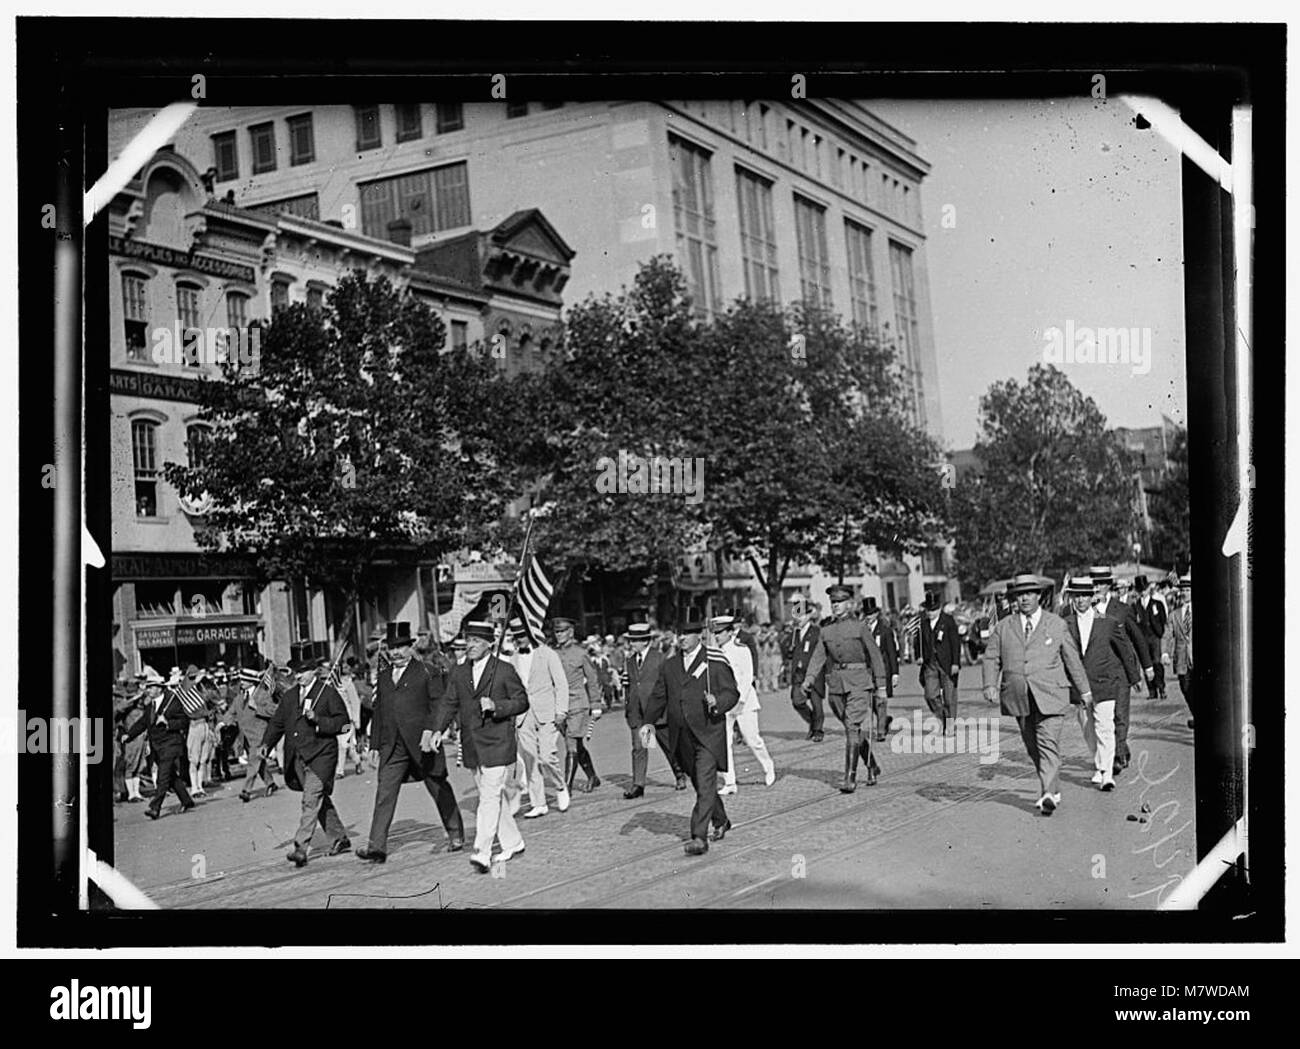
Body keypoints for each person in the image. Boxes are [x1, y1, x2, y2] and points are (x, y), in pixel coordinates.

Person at [982, 574, 1092, 815]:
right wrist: (990, 684)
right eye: (1020, 594)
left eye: (1030, 593)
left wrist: (1084, 690)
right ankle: (1052, 784)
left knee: (1047, 743)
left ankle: (1047, 794)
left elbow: (1072, 659)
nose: (1025, 598)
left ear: (1039, 596)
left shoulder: (1056, 624)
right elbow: (991, 657)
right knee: (1032, 746)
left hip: (1051, 694)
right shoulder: (1003, 627)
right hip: (1019, 697)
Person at [356, 622, 464, 863]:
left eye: (400, 647)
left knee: (437, 786)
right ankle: (377, 846)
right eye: (391, 648)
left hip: (423, 743)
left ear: (410, 647)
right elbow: (379, 712)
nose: (395, 653)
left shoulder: (427, 671)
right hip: (393, 746)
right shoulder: (383, 677)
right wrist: (374, 745)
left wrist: (432, 731)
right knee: (384, 791)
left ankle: (456, 834)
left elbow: (438, 705)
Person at [429, 620, 530, 873]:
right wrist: (437, 730)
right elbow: (448, 703)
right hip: (472, 745)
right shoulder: (459, 672)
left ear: (489, 644)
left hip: (497, 742)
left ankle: (482, 852)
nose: (469, 645)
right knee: (492, 797)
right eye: (468, 640)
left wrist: (498, 707)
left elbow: (522, 701)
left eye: (475, 641)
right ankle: (513, 842)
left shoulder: (504, 670)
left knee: (488, 796)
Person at [641, 616, 741, 855]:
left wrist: (718, 702)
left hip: (708, 733)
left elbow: (732, 692)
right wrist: (647, 722)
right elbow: (658, 696)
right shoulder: (670, 665)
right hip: (682, 736)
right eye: (679, 634)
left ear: (699, 635)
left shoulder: (714, 660)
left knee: (706, 782)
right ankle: (721, 819)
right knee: (700, 783)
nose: (681, 638)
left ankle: (698, 836)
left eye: (686, 634)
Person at [260, 657, 352, 868]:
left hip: (322, 756)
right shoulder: (290, 696)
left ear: (314, 671)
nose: (298, 676)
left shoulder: (327, 693)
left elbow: (344, 725)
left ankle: (300, 848)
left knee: (310, 800)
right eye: (295, 672)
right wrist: (267, 743)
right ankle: (339, 838)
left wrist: (319, 720)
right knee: (317, 799)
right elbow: (277, 723)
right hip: (298, 757)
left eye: (302, 671)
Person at [802, 585, 888, 792]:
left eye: (840, 602)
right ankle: (872, 765)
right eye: (833, 603)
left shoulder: (860, 627)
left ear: (850, 604)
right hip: (836, 685)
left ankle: (850, 778)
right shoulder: (826, 630)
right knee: (854, 729)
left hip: (859, 682)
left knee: (851, 728)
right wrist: (809, 679)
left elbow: (875, 656)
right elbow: (818, 657)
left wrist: (881, 685)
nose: (836, 606)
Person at [1061, 574, 1142, 791]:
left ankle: (1106, 773)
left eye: (1084, 596)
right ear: (1072, 598)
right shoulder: (1064, 624)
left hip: (1105, 682)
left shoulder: (1108, 623)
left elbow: (1124, 650)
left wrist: (1134, 677)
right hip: (1080, 687)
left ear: (1091, 598)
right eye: (1076, 597)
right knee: (1088, 730)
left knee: (1105, 727)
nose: (1080, 601)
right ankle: (1100, 764)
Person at [1090, 565, 1153, 774]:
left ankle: (1117, 755)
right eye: (1094, 583)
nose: (1097, 587)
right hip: (1097, 675)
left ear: (1108, 586)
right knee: (1101, 719)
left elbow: (1138, 640)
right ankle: (1120, 748)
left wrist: (1146, 667)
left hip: (1120, 673)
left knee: (1119, 714)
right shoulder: (1085, 611)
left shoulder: (1122, 610)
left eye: (1101, 583)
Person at [506, 617, 570, 817]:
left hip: (547, 711)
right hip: (523, 715)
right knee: (530, 758)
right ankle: (538, 802)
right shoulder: (514, 659)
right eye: (517, 637)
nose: (520, 640)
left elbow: (560, 683)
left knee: (547, 755)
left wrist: (561, 711)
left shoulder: (547, 654)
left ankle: (560, 786)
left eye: (523, 635)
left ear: (531, 633)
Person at [711, 614, 776, 795]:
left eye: (721, 632)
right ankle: (729, 781)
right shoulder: (714, 653)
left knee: (751, 739)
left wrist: (740, 701)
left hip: (744, 701)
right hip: (724, 704)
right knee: (724, 743)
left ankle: (768, 765)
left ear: (730, 633)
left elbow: (747, 677)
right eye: (715, 633)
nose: (717, 636)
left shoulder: (741, 649)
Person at [622, 622, 688, 797]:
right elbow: (630, 685)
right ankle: (638, 785)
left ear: (645, 641)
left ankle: (679, 773)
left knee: (668, 746)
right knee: (640, 747)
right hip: (638, 713)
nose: (632, 645)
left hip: (658, 712)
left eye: (635, 641)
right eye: (631, 641)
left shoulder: (659, 659)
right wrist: (628, 705)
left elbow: (670, 684)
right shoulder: (629, 661)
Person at [122, 670, 196, 820]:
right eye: (147, 687)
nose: (148, 690)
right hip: (157, 747)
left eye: (151, 687)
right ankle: (187, 801)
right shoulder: (150, 706)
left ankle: (155, 807)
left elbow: (184, 721)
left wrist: (168, 723)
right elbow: (143, 723)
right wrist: (129, 735)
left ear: (160, 688)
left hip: (171, 744)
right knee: (171, 777)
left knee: (162, 777)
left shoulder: (173, 702)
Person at [552, 617, 603, 793]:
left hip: (578, 704)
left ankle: (567, 787)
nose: (558, 634)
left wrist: (596, 703)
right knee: (576, 744)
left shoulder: (580, 654)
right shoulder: (553, 654)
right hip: (560, 706)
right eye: (557, 632)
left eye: (562, 631)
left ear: (570, 632)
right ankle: (592, 777)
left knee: (571, 744)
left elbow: (592, 679)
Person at [231, 666, 280, 802]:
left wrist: (256, 708)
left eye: (244, 680)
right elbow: (231, 712)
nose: (241, 682)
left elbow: (273, 711)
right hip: (245, 737)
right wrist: (223, 723)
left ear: (251, 681)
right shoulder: (240, 698)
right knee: (259, 762)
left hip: (259, 735)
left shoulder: (262, 695)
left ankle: (246, 790)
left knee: (253, 762)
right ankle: (271, 783)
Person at [918, 592, 961, 735]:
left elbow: (955, 643)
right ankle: (943, 716)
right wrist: (919, 656)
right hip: (930, 664)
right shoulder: (923, 624)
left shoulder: (948, 621)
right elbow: (918, 643)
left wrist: (956, 663)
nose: (930, 613)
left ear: (940, 608)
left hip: (947, 664)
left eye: (933, 610)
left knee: (949, 697)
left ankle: (950, 725)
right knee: (930, 695)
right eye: (928, 610)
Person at [788, 597, 825, 742]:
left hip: (814, 673)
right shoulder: (794, 633)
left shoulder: (816, 631)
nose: (798, 619)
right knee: (797, 701)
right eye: (796, 616)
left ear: (808, 615)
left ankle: (818, 730)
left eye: (801, 616)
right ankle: (812, 722)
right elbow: (789, 652)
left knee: (816, 703)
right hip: (798, 674)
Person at [863, 597, 899, 741]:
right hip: (866, 670)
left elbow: (891, 653)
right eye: (866, 614)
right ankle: (885, 720)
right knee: (869, 700)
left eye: (871, 613)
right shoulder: (862, 630)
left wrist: (895, 673)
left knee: (881, 700)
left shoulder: (885, 630)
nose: (869, 616)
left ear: (876, 614)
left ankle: (880, 731)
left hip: (882, 670)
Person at [1133, 575, 1169, 700]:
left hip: (1154, 636)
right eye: (1140, 590)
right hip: (1142, 638)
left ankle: (1161, 687)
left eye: (1144, 589)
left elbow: (1163, 619)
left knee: (1157, 663)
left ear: (1148, 589)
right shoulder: (1136, 606)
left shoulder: (1157, 604)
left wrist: (1159, 632)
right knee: (1146, 664)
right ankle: (1152, 690)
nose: (1142, 592)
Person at [1169, 573, 1194, 727]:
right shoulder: (1174, 614)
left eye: (1188, 590)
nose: (1185, 593)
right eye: (1183, 590)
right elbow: (1168, 634)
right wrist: (1165, 652)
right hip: (1181, 658)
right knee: (1185, 687)